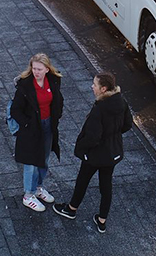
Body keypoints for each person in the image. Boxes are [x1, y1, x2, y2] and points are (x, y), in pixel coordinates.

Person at [53, 71, 132, 233]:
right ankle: (102, 220)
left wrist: (81, 148)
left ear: (103, 89)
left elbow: (93, 136)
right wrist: (113, 135)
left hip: (96, 154)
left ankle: (71, 209)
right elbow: (127, 125)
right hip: (112, 153)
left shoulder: (100, 109)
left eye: (95, 85)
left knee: (83, 179)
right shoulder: (121, 102)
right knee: (106, 184)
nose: (92, 87)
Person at [10, 53, 63, 212]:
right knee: (31, 162)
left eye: (39, 69)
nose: (36, 72)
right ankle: (29, 194)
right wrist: (27, 124)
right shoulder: (25, 86)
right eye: (34, 68)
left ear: (47, 69)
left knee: (44, 159)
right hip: (31, 128)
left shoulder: (53, 81)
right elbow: (15, 110)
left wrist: (57, 115)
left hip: (47, 125)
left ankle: (38, 187)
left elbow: (58, 100)